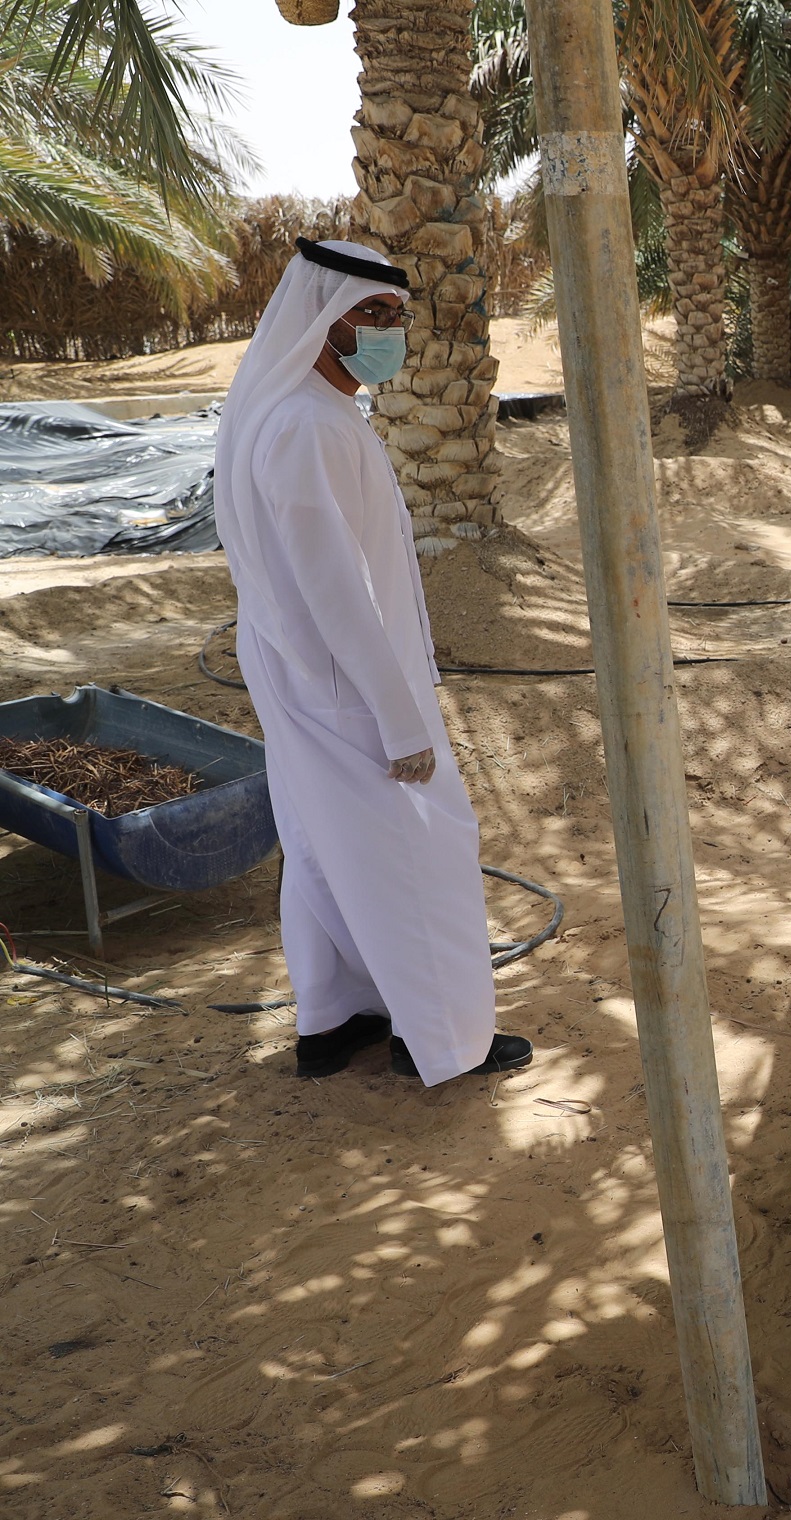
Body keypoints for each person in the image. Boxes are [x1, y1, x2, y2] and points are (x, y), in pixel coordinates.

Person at [213, 237, 530, 1086]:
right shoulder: (307, 427)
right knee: (416, 849)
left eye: (396, 316)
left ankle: (333, 1016)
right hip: (348, 682)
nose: (389, 332)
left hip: (306, 673)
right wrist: (398, 716)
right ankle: (446, 1040)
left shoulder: (302, 414)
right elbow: (335, 588)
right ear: (323, 320)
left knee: (326, 843)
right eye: (371, 315)